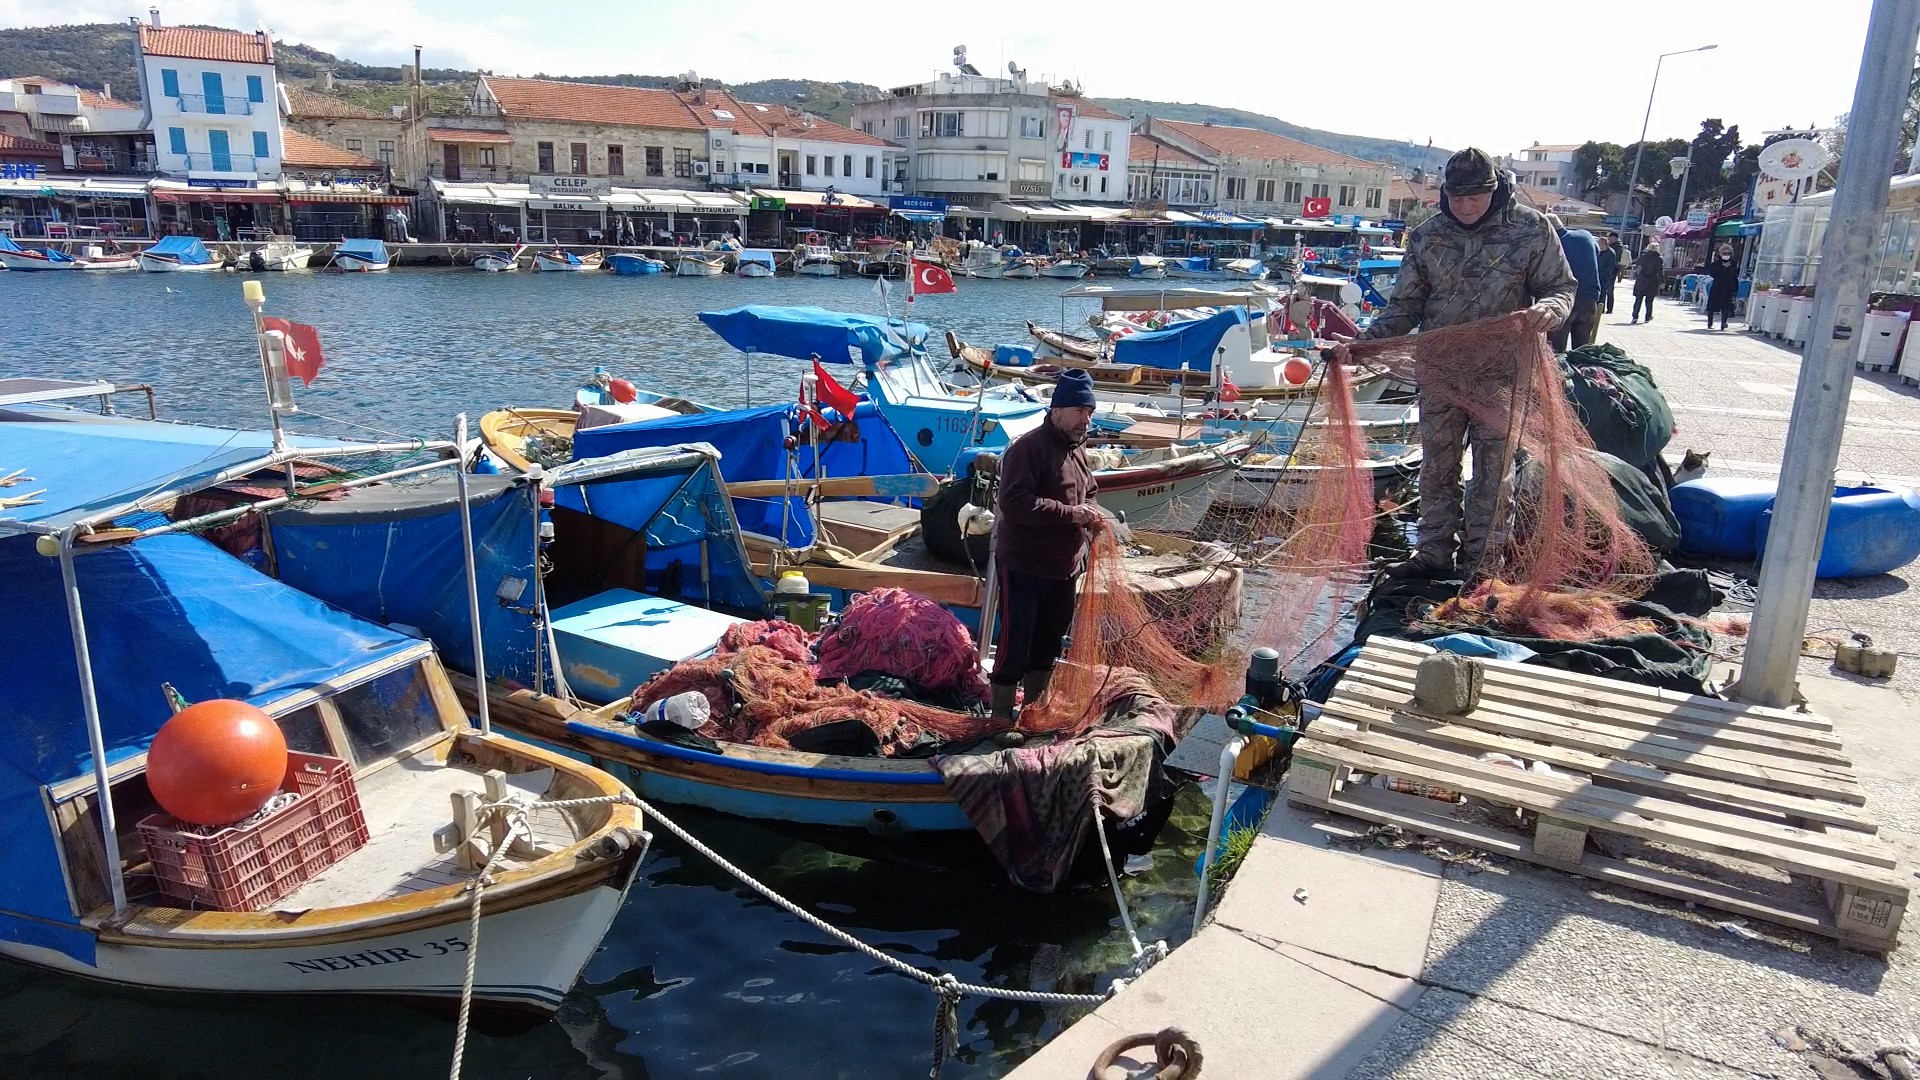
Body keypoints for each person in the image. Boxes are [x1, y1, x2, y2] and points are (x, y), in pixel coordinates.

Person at [1349, 147, 1577, 578]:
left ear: (1495, 190)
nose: (1467, 206)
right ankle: (1432, 551)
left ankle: (1482, 563)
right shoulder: (1427, 236)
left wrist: (1549, 309)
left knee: (1494, 473)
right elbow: (1404, 308)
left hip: (1503, 373)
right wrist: (1363, 342)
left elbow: (1562, 288)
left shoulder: (1531, 229)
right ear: (1445, 195)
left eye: (1476, 197)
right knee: (1437, 466)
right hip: (1441, 370)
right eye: (1457, 198)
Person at [990, 368, 1102, 722]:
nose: (1085, 419)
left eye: (1089, 413)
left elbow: (1091, 492)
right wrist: (1073, 515)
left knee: (1048, 644)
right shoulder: (1028, 449)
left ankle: (1034, 712)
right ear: (1056, 411)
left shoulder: (1077, 449)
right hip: (1024, 565)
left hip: (1063, 569)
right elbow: (1016, 503)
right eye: (1080, 411)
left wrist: (1093, 516)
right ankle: (999, 717)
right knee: (1014, 644)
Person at [1547, 214, 1600, 352]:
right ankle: (1582, 372)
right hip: (1589, 300)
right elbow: (1597, 252)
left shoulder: (1552, 244)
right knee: (1583, 350)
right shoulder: (1585, 235)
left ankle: (1560, 373)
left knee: (1556, 352)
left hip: (1564, 300)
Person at [1703, 243, 1741, 330]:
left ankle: (1724, 323)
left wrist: (1735, 288)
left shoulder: (1733, 263)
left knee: (1726, 305)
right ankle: (1710, 322)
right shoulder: (1716, 263)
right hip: (1717, 286)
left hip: (1728, 287)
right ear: (1721, 254)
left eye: (1728, 253)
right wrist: (1722, 269)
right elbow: (1712, 273)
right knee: (1712, 304)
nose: (1726, 255)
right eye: (1725, 253)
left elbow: (1735, 275)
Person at [1631, 244, 1665, 323]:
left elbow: (1637, 265)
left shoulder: (1643, 256)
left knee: (1638, 299)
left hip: (1642, 279)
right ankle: (1648, 317)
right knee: (1649, 301)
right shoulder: (1659, 259)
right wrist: (1663, 282)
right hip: (1652, 280)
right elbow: (1660, 271)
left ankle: (1635, 316)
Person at [1596, 234, 1622, 316]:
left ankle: (1605, 309)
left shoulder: (1611, 253)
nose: (1598, 245)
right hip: (1597, 274)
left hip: (1608, 276)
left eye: (1599, 244)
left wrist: (1605, 275)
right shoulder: (1598, 251)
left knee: (1607, 291)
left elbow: (1610, 266)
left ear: (1604, 244)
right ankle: (1599, 308)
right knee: (1599, 291)